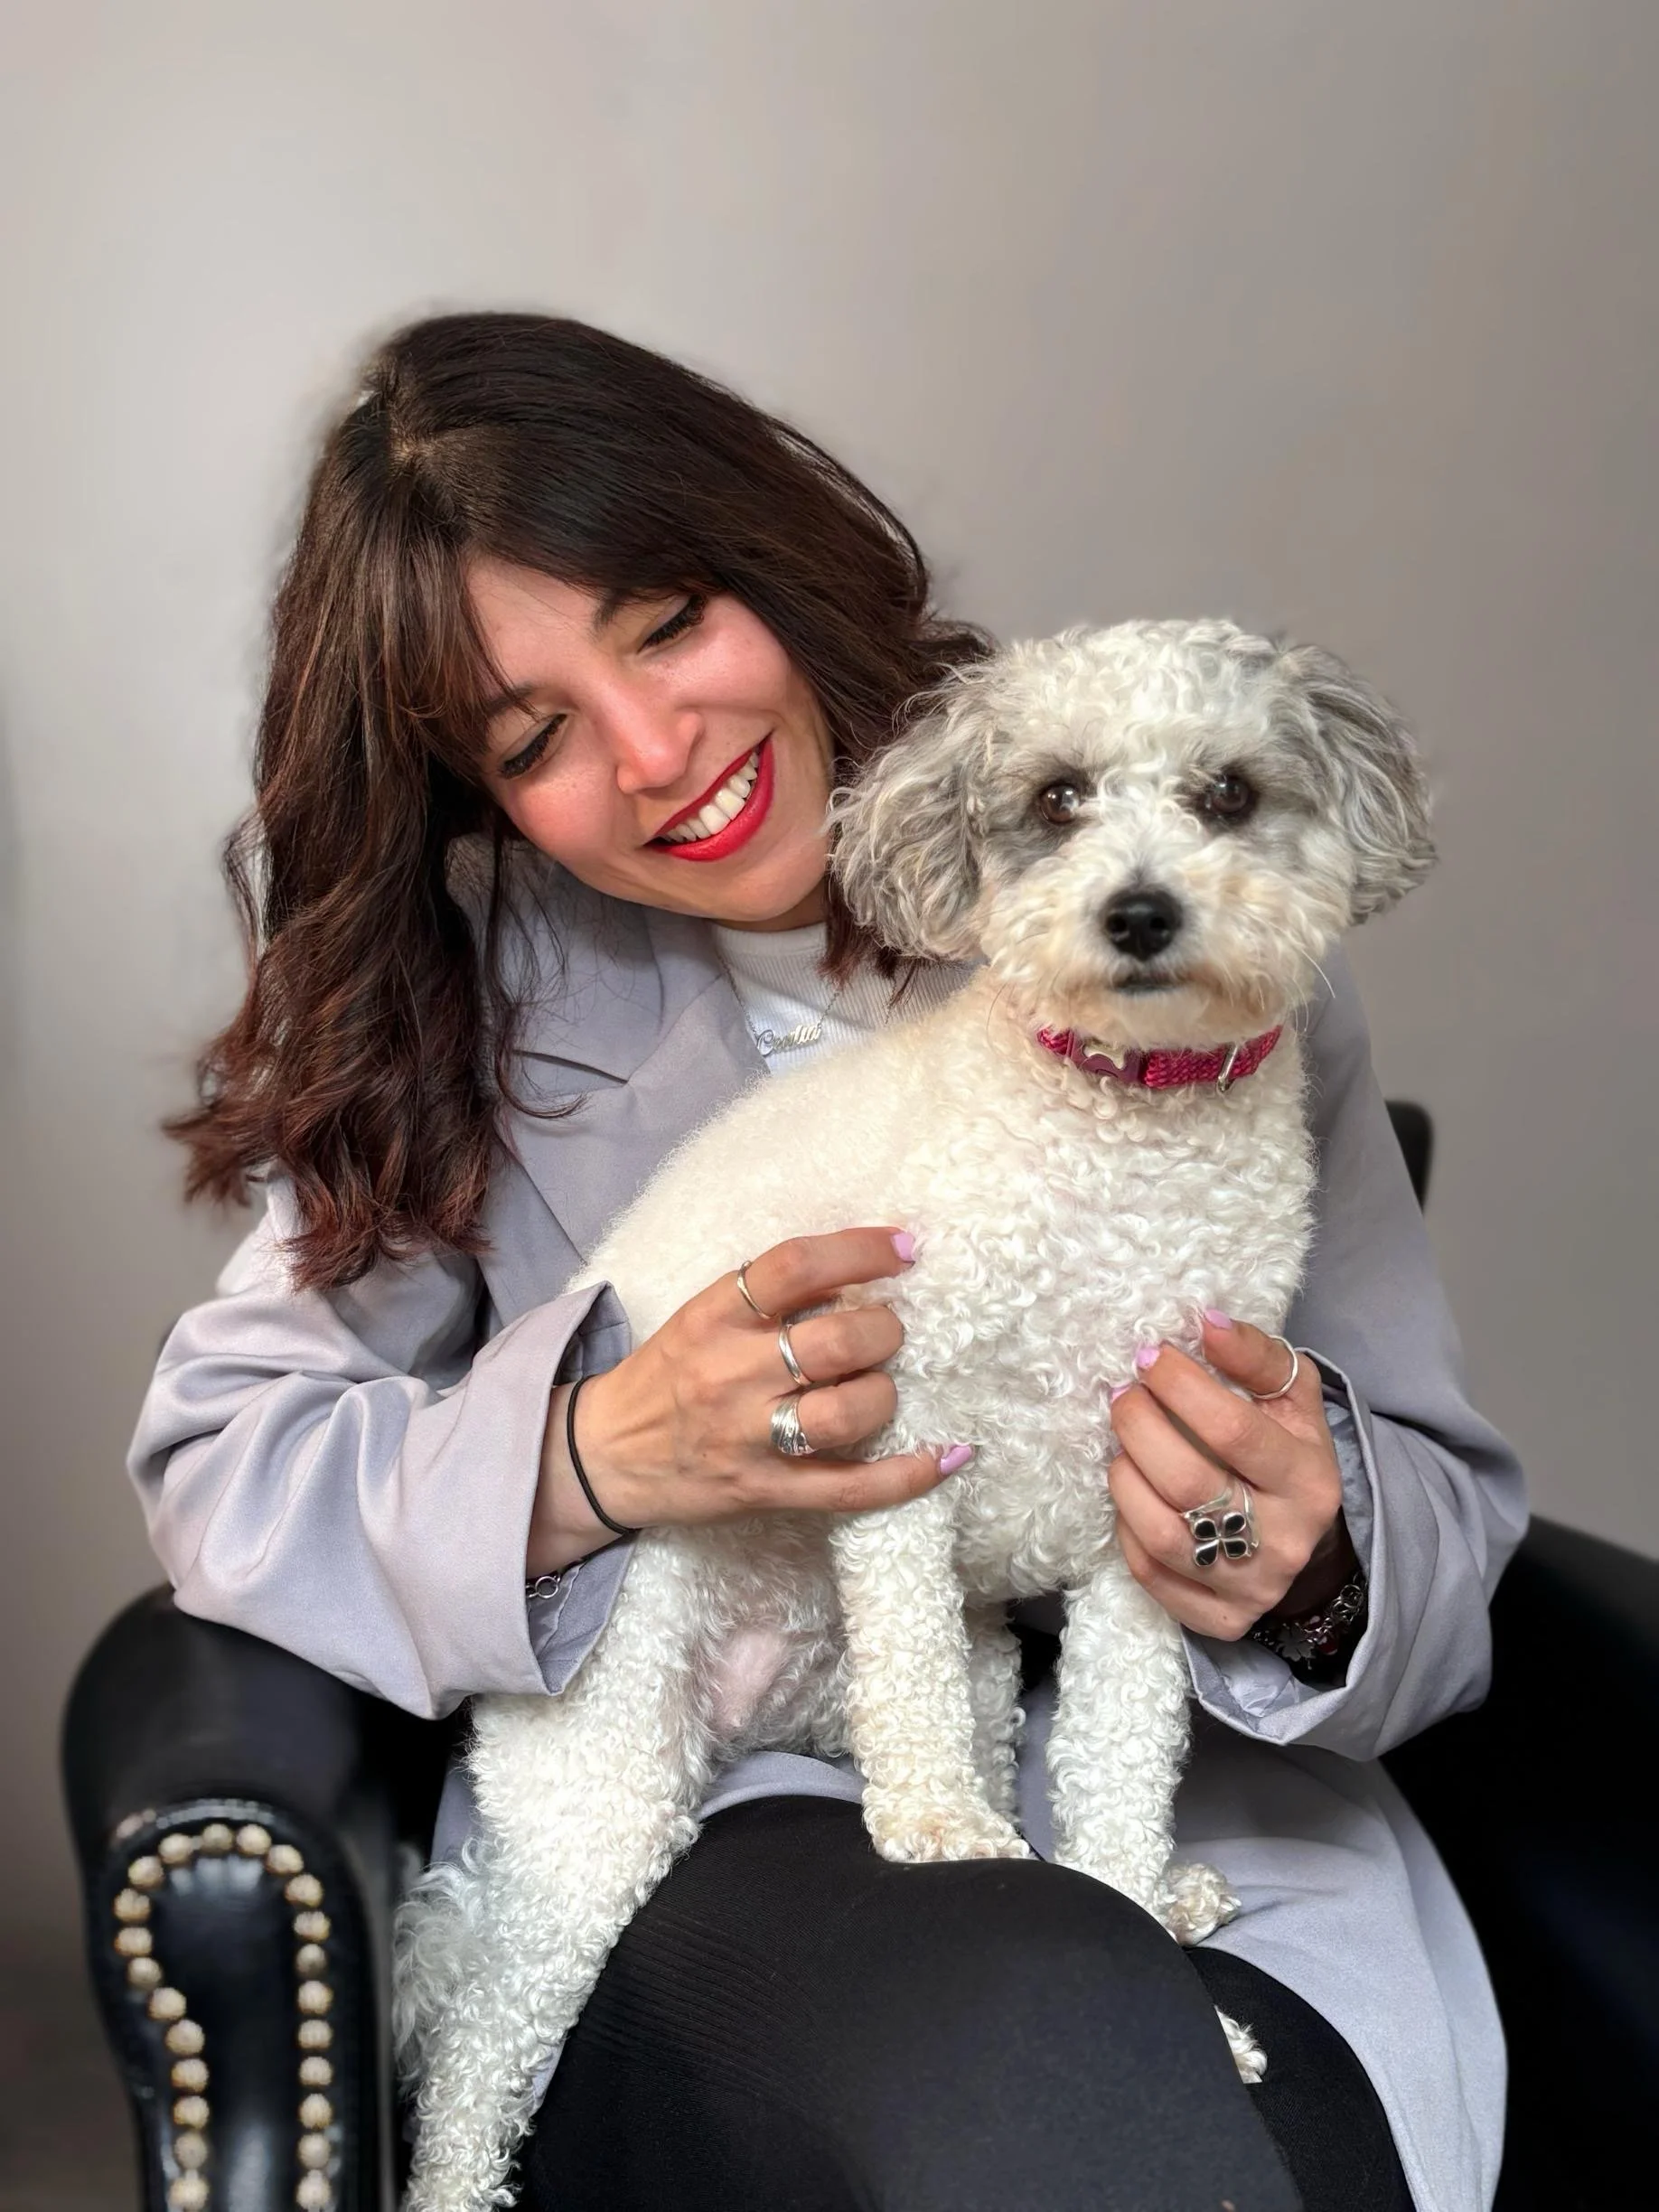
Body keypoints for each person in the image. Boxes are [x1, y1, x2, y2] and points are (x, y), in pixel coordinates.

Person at [130, 312, 1525, 2212]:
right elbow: (225, 1457)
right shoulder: (472, 1009)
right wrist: (594, 1454)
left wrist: (1303, 1552)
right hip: (737, 1790)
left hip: (1188, 1814)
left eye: (669, 622)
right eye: (534, 737)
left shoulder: (1206, 929)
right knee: (1045, 2083)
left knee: (1270, 2152)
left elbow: (1443, 1524)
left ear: (769, 553)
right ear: (479, 797)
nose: (655, 754)